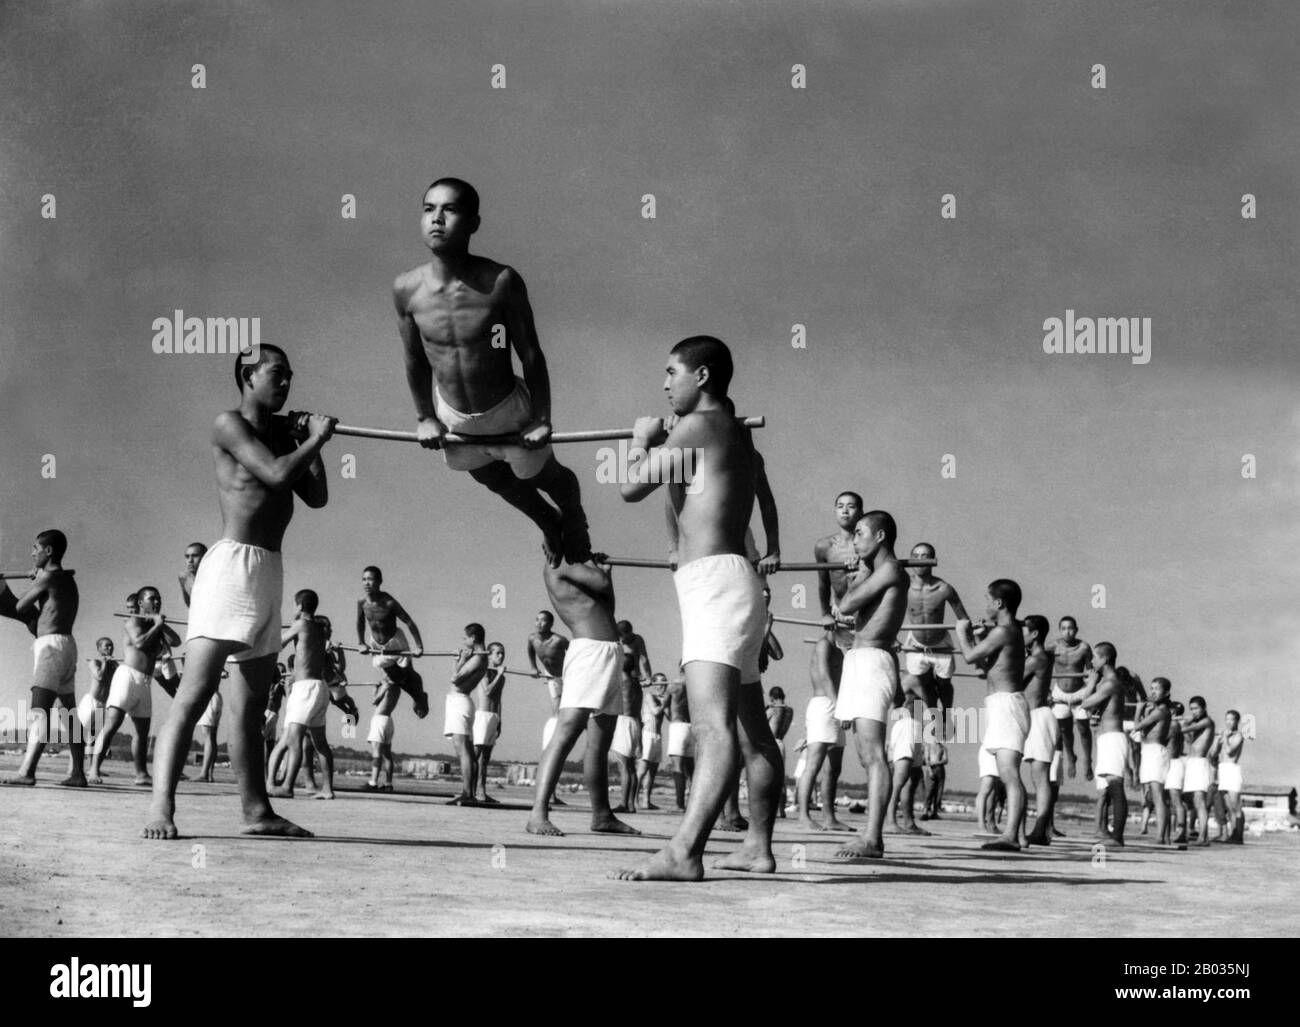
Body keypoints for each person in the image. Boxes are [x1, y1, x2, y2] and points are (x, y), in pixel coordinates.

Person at [142, 345, 335, 840]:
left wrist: (310, 442)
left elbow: (316, 496)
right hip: (231, 566)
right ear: (248, 376)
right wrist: (312, 439)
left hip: (270, 569)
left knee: (248, 708)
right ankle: (161, 807)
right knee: (195, 691)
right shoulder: (229, 423)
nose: (287, 382)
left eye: (291, 375)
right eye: (277, 374)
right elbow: (274, 474)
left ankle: (256, 812)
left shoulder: (280, 436)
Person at [611, 335, 782, 881]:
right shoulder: (730, 435)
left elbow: (629, 487)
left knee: (712, 728)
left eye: (671, 373)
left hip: (716, 587)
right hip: (735, 583)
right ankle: (757, 846)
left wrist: (641, 441)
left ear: (702, 376)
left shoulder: (699, 425)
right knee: (755, 730)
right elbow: (687, 498)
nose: (664, 385)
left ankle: (685, 850)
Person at [396, 178, 589, 563]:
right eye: (428, 208)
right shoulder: (406, 288)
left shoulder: (500, 281)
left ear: (473, 223)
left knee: (546, 478)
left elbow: (530, 354)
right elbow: (415, 360)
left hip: (508, 410)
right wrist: (424, 417)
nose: (437, 219)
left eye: (449, 210)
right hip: (452, 415)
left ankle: (575, 520)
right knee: (490, 477)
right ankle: (548, 523)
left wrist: (541, 418)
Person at [527, 555, 640, 836]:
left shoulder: (581, 568)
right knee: (567, 731)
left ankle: (602, 815)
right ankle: (538, 813)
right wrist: (597, 568)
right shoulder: (560, 563)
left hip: (609, 652)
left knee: (600, 741)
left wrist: (605, 574)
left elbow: (606, 604)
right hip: (589, 652)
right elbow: (600, 580)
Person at [830, 510, 912, 860]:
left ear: (880, 537)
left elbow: (847, 605)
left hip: (872, 661)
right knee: (866, 754)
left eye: (861, 533)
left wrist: (860, 570)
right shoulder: (879, 572)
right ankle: (873, 834)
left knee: (874, 754)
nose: (855, 539)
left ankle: (873, 837)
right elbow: (844, 608)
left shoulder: (891, 570)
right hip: (859, 660)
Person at [0, 530, 84, 787]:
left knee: (41, 711)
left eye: (36, 547)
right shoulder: (66, 580)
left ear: (48, 551)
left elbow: (20, 608)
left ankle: (27, 772)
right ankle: (78, 774)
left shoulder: (47, 577)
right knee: (69, 713)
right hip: (67, 645)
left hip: (51, 648)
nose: (32, 552)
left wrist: (30, 582)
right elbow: (39, 617)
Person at [956, 582, 1028, 852]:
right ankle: (1017, 836)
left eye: (987, 599)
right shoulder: (1007, 632)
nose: (985, 605)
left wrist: (961, 633)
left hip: (1007, 706)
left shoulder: (1004, 632)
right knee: (1006, 772)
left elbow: (969, 657)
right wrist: (977, 638)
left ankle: (1010, 835)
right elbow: (985, 667)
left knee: (1009, 773)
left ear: (999, 604)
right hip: (1001, 705)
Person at [89, 586, 182, 785]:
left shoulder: (156, 625)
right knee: (112, 725)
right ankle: (94, 768)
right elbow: (139, 643)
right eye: (152, 599)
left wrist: (161, 624)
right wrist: (157, 626)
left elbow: (176, 641)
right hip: (127, 677)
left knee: (142, 731)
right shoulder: (132, 621)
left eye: (158, 598)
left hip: (145, 681)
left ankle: (141, 774)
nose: (157, 602)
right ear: (141, 603)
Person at [269, 592, 336, 799]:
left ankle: (287, 786)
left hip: (305, 687)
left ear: (298, 606)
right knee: (320, 743)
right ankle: (327, 789)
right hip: (320, 687)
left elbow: (277, 644)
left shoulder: (300, 625)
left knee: (293, 738)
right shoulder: (320, 629)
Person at [899, 542, 968, 744]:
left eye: (926, 556)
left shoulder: (944, 588)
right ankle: (935, 718)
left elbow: (963, 618)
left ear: (933, 560)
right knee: (924, 683)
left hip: (941, 644)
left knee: (944, 684)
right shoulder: (903, 586)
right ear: (911, 560)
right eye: (916, 556)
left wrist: (975, 639)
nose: (921, 560)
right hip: (916, 644)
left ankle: (946, 714)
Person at [797, 637, 852, 832]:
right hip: (824, 705)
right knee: (814, 763)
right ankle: (803, 816)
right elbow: (825, 676)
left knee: (834, 767)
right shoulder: (823, 645)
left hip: (837, 705)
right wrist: (839, 707)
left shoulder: (840, 650)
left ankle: (829, 818)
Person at [1079, 642, 1128, 846]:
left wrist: (1090, 683)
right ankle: (1112, 834)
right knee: (1110, 786)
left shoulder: (1110, 683)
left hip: (1113, 738)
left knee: (1116, 785)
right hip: (1107, 737)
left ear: (1105, 659)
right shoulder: (1106, 683)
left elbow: (1085, 703)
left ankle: (1117, 837)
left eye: (1095, 658)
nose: (1092, 662)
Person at [1020, 615, 1058, 846]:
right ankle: (1040, 828)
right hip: (1034, 717)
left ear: (1034, 634)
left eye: (1024, 631)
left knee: (1040, 777)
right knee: (1037, 777)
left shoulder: (1037, 658)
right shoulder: (1035, 657)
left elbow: (1012, 676)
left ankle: (1041, 829)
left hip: (1040, 718)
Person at [813, 490, 865, 647]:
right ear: (835, 511)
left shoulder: (869, 544)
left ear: (861, 512)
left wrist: (863, 563)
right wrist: (826, 614)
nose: (845, 510)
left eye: (851, 506)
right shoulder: (824, 546)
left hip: (867, 612)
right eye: (840, 506)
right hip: (839, 612)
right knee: (827, 652)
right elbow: (823, 583)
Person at [444, 624, 488, 805]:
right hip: (461, 702)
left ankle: (467, 793)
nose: (464, 641)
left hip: (460, 702)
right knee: (467, 750)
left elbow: (455, 678)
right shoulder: (478, 658)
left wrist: (461, 659)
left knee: (463, 751)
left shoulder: (478, 658)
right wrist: (461, 659)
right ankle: (469, 792)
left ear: (473, 638)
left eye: (465, 638)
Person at [1132, 675, 1173, 846]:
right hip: (1148, 751)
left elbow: (1137, 726)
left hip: (1156, 752)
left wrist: (1139, 709)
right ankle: (1164, 836)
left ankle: (1161, 836)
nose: (1153, 692)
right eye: (1152, 688)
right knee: (1153, 796)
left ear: (1166, 692)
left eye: (1157, 689)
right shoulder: (1156, 709)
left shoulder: (1161, 710)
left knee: (1158, 796)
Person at [1051, 617, 1094, 779]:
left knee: (1083, 728)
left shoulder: (1083, 647)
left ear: (1076, 630)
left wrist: (1091, 694)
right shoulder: (1053, 646)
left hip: (1079, 693)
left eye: (1070, 628)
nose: (1067, 631)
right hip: (1060, 693)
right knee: (1064, 730)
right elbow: (1042, 667)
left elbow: (1091, 673)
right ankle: (1070, 756)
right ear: (1059, 630)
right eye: (1063, 628)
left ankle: (1087, 760)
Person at [527, 610, 569, 750]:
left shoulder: (559, 640)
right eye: (537, 619)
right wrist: (533, 667)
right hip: (551, 675)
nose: (539, 623)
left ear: (550, 624)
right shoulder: (532, 638)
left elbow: (574, 654)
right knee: (556, 708)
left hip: (566, 675)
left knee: (570, 708)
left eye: (543, 620)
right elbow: (530, 650)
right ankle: (551, 743)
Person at [472, 642, 507, 804]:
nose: (501, 656)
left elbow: (498, 700)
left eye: (502, 653)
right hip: (483, 716)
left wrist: (499, 720)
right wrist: (498, 675)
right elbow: (487, 691)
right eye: (497, 653)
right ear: (490, 655)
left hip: (493, 717)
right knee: (475, 755)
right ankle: (469, 790)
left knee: (485, 759)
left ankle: (482, 791)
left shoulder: (502, 676)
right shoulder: (484, 672)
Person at [1180, 696, 1216, 847]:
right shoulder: (1198, 723)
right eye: (1192, 709)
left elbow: (1185, 729)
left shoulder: (1207, 722)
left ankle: (1203, 836)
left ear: (1204, 708)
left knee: (1200, 802)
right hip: (1192, 762)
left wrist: (1185, 721)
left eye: (1196, 708)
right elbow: (1189, 740)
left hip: (1200, 763)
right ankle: (1201, 834)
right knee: (1195, 802)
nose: (1194, 712)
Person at [79, 638, 118, 763]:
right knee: (79, 736)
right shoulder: (94, 662)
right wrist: (105, 662)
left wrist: (114, 666)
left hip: (102, 704)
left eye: (111, 646)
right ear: (99, 649)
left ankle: (91, 768)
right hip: (91, 702)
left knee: (93, 738)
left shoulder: (115, 665)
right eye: (106, 646)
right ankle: (72, 767)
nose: (109, 648)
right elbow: (100, 676)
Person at [637, 673, 669, 809]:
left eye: (664, 682)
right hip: (648, 735)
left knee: (652, 771)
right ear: (654, 684)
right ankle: (633, 799)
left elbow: (669, 716)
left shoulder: (663, 698)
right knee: (642, 769)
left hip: (657, 736)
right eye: (659, 682)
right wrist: (665, 701)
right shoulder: (649, 696)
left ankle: (646, 801)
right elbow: (656, 711)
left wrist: (667, 702)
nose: (662, 685)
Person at [665, 673, 694, 811]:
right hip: (692, 727)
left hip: (678, 725)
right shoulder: (696, 684)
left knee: (678, 767)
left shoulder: (674, 684)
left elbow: (664, 707)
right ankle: (694, 805)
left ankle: (679, 804)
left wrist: (671, 717)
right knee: (692, 769)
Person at [1217, 709, 1245, 843]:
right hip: (1223, 770)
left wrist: (1226, 738)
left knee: (1236, 806)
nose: (1228, 722)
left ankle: (1239, 836)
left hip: (1233, 770)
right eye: (1226, 719)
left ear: (1237, 721)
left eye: (1231, 719)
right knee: (1229, 807)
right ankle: (1233, 834)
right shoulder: (1226, 735)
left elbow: (1229, 751)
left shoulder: (1238, 735)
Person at [766, 686, 793, 817]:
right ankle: (780, 810)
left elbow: (762, 723)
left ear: (772, 697)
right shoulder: (789, 711)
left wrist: (766, 707)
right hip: (781, 742)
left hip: (771, 743)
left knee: (767, 777)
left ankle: (768, 808)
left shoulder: (772, 710)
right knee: (780, 779)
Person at [920, 740, 947, 821]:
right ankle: (925, 811)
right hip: (931, 769)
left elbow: (946, 760)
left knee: (938, 792)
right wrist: (930, 770)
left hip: (940, 769)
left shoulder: (943, 747)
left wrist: (935, 763)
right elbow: (926, 760)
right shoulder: (928, 746)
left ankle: (934, 812)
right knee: (929, 791)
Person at [178, 542, 207, 606]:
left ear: (205, 557)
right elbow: (189, 604)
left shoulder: (214, 577)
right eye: (187, 556)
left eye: (195, 556)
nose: (190, 560)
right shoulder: (184, 577)